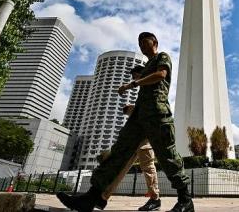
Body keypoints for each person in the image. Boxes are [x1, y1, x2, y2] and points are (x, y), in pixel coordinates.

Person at [57, 32, 194, 212]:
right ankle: (91, 198)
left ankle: (185, 200)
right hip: (138, 117)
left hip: (157, 114)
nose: (142, 46)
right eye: (139, 44)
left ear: (155, 43)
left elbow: (161, 75)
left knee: (167, 155)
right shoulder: (145, 67)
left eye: (145, 42)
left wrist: (132, 84)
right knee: (118, 153)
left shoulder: (162, 57)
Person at [96, 65, 161, 211]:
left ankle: (155, 199)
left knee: (148, 167)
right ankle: (103, 197)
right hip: (136, 137)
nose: (134, 79)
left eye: (135, 76)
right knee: (122, 166)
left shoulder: (151, 87)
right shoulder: (142, 90)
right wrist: (132, 109)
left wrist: (132, 107)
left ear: (141, 74)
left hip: (145, 137)